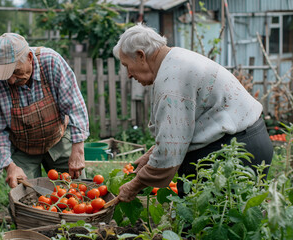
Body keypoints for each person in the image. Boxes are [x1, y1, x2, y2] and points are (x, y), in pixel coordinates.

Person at [113, 23, 273, 202]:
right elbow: (188, 123)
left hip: (233, 152)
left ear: (141, 56)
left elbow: (168, 154)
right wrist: (152, 154)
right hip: (251, 142)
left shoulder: (171, 81)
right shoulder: (177, 58)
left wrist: (135, 185)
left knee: (207, 223)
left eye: (127, 65)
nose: (128, 74)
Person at [0, 33, 89, 188]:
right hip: (22, 148)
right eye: (5, 75)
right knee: (24, 196)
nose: (11, 80)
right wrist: (10, 166)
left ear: (30, 58)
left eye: (15, 71)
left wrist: (78, 151)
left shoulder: (51, 62)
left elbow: (75, 106)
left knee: (77, 190)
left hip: (57, 138)